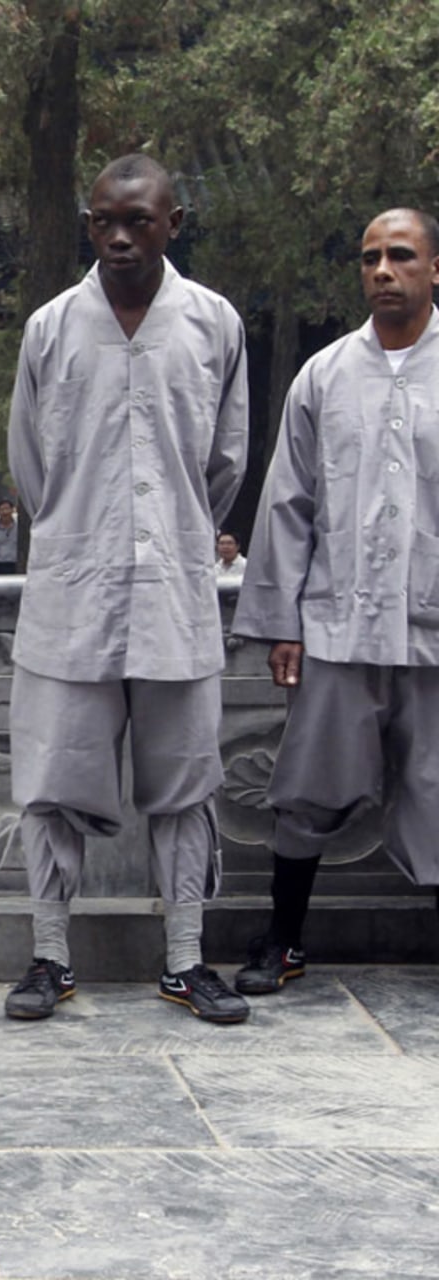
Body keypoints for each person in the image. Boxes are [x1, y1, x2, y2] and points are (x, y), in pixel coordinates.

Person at [3, 154, 250, 1024]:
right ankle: (48, 956)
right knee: (52, 776)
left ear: (173, 223)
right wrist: (81, 533)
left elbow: (224, 461)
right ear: (88, 221)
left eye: (137, 220)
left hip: (177, 590)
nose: (117, 236)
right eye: (104, 219)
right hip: (73, 585)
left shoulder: (214, 324)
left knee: (186, 781)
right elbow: (31, 465)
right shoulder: (51, 329)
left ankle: (185, 959)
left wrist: (173, 533)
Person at [230, 207, 439, 996]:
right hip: (340, 626)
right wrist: (282, 621)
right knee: (307, 790)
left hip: (432, 629)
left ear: (434, 268)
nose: (383, 270)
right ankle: (282, 940)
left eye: (401, 256)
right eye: (370, 257)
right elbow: (289, 503)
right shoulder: (325, 375)